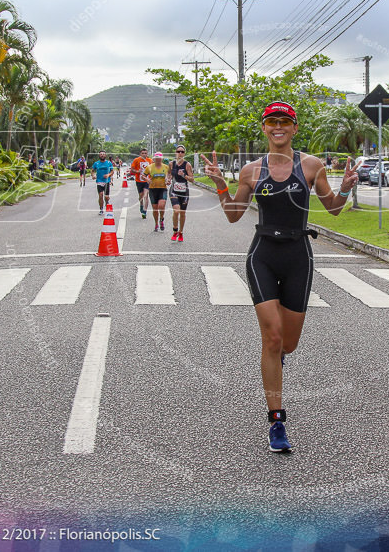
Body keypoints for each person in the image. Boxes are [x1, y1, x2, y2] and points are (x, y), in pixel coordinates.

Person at [204, 101, 359, 453]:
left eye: (284, 122)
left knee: (289, 344)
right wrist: (219, 184)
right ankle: (277, 422)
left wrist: (346, 187)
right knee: (272, 338)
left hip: (298, 257)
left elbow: (333, 208)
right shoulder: (250, 171)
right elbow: (233, 215)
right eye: (272, 122)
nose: (278, 127)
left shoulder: (311, 166)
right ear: (264, 128)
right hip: (263, 255)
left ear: (294, 128)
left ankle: (280, 357)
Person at [169, 145, 192, 241]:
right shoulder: (171, 164)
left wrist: (184, 175)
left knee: (182, 213)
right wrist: (168, 179)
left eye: (182, 152)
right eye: (178, 151)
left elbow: (192, 179)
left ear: (184, 153)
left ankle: (181, 232)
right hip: (174, 190)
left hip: (184, 191)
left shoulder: (187, 165)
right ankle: (175, 230)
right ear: (175, 152)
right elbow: (169, 175)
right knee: (176, 211)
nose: (180, 153)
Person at [146, 152, 170, 232]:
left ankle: (161, 219)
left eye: (159, 158)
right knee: (155, 209)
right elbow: (143, 175)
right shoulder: (149, 167)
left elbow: (168, 176)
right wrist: (147, 179)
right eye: (156, 158)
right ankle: (156, 223)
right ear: (154, 159)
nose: (158, 160)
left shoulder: (166, 167)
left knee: (161, 205)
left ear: (161, 159)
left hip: (162, 189)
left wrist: (168, 180)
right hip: (153, 189)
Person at [130, 147, 152, 219]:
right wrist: (137, 171)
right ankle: (141, 205)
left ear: (147, 154)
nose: (144, 154)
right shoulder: (136, 160)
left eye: (145, 153)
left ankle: (144, 211)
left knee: (146, 195)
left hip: (147, 181)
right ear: (140, 154)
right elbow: (132, 169)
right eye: (143, 153)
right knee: (141, 195)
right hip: (139, 180)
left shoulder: (150, 160)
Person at [91, 151, 113, 215]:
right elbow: (92, 170)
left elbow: (112, 171)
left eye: (103, 154)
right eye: (101, 154)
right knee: (100, 195)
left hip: (107, 181)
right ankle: (101, 209)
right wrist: (93, 175)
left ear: (105, 155)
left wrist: (108, 175)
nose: (102, 155)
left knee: (106, 197)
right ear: (99, 156)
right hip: (99, 181)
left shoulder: (109, 163)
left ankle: (107, 202)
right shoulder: (96, 163)